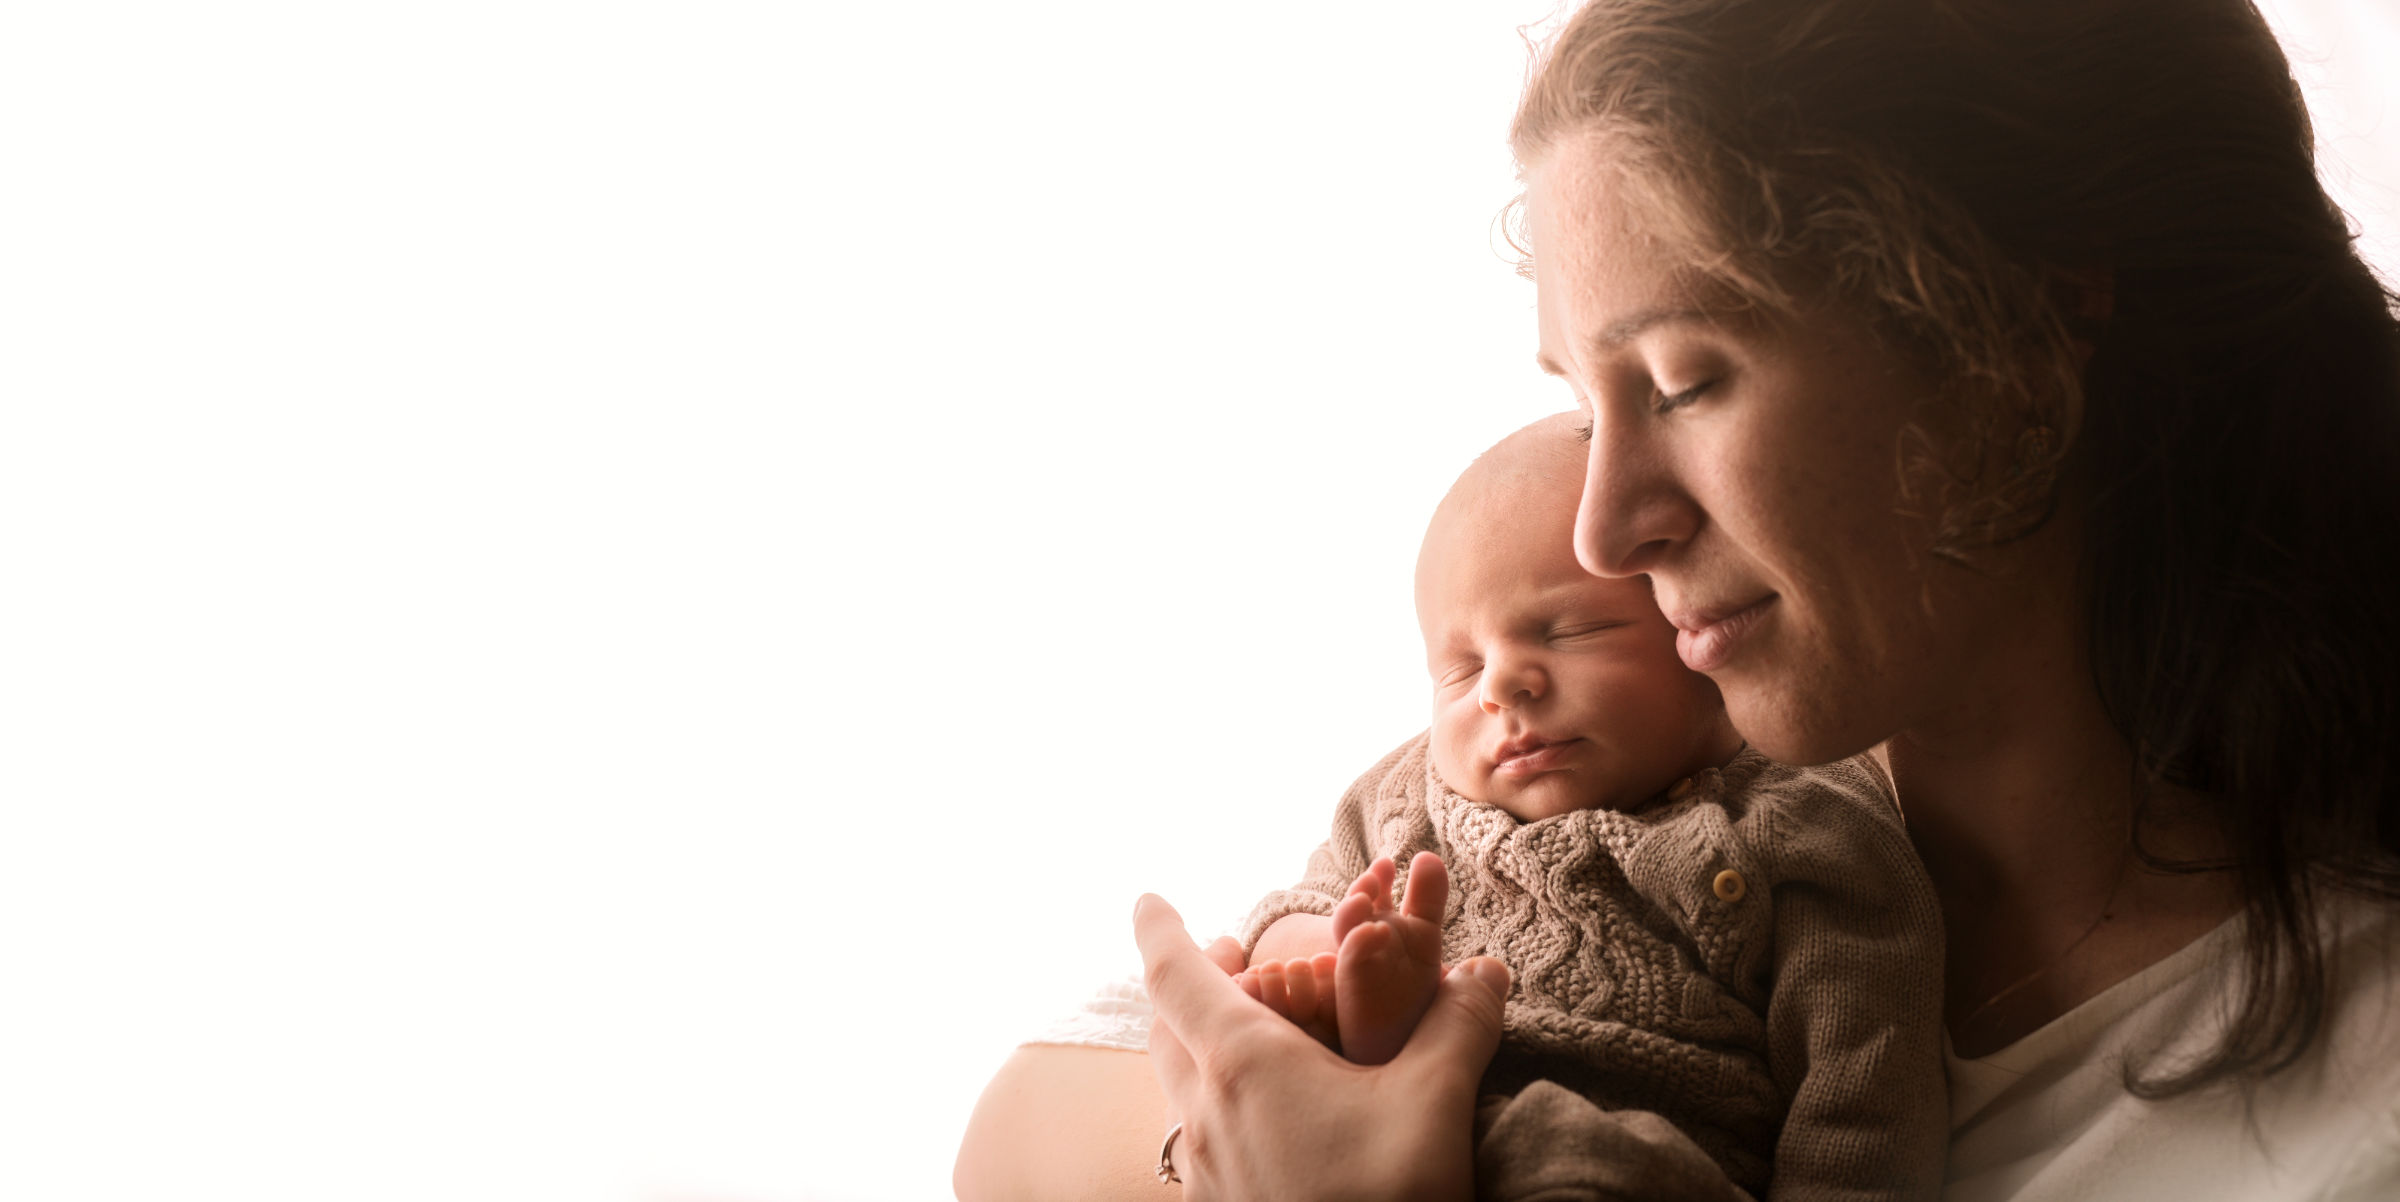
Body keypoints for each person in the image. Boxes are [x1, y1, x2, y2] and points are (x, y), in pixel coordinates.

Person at [955, 0, 2400, 1198]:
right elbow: (1009, 1136)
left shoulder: (2352, 1107)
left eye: (1688, 380)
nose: (1604, 527)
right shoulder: (1649, 775)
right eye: (1588, 408)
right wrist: (1233, 1133)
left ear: (2022, 335)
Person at [1230, 411, 1945, 1200]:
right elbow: (1291, 908)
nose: (1502, 687)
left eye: (1568, 630)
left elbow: (1863, 1092)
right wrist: (1326, 961)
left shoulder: (1803, 819)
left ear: (1698, 625)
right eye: (1460, 669)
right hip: (1393, 1120)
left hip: (1635, 1162)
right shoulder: (1404, 794)